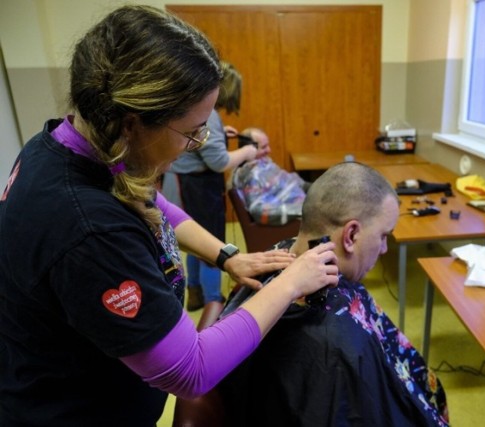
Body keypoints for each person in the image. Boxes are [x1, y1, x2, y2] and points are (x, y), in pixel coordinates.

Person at [0, 5, 338, 426]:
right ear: (132, 123)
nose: (196, 143)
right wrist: (291, 284)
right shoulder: (89, 229)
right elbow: (190, 370)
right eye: (191, 132)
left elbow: (151, 201)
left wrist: (226, 255)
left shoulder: (66, 142)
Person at [217, 162, 450, 427]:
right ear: (350, 235)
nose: (384, 248)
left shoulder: (278, 254)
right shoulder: (334, 346)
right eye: (383, 235)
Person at [161, 61, 261, 326]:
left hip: (184, 183)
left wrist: (221, 135)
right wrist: (248, 152)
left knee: (196, 245)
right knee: (211, 244)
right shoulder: (211, 117)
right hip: (197, 187)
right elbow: (218, 161)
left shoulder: (206, 116)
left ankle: (195, 295)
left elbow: (204, 143)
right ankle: (214, 300)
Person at [231, 127, 310, 226]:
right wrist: (303, 209)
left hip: (304, 199)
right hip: (298, 219)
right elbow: (258, 211)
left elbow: (290, 181)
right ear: (249, 150)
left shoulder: (264, 163)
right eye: (264, 147)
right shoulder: (252, 176)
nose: (269, 150)